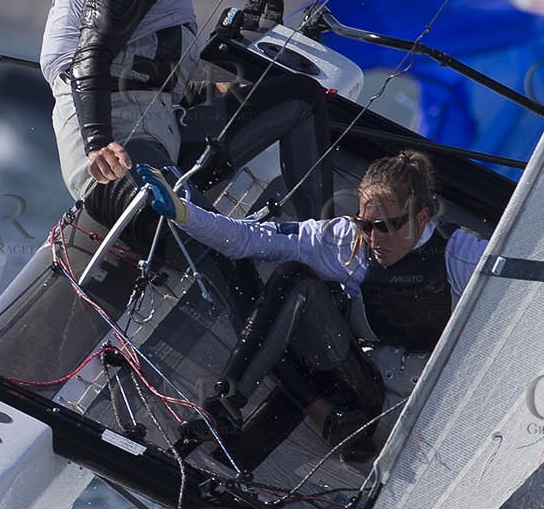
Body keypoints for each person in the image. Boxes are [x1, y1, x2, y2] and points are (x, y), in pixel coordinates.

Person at [143, 151, 488, 465]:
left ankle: (266, 445)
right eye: (366, 225)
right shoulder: (344, 241)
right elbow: (250, 239)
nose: (374, 238)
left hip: (419, 407)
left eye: (385, 227)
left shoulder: (460, 255)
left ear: (421, 216)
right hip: (358, 386)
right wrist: (186, 214)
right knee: (291, 283)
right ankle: (225, 409)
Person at [40, 0, 327, 217]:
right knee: (218, 253)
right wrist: (98, 142)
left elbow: (152, 74)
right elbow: (93, 51)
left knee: (300, 97)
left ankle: (320, 237)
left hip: (160, 133)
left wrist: (232, 73)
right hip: (120, 150)